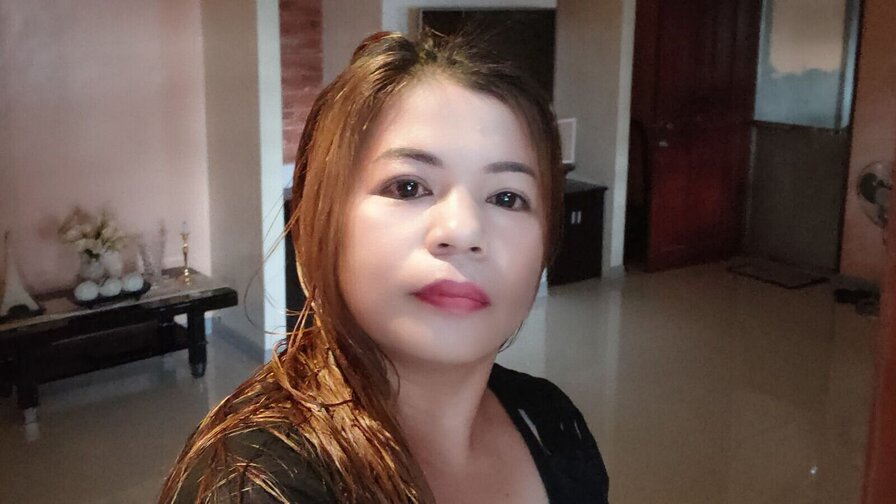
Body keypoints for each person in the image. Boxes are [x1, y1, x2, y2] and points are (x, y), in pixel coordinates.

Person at [159, 29, 609, 503]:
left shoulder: (551, 424)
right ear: (324, 220)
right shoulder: (253, 483)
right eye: (408, 187)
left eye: (506, 198)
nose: (463, 231)